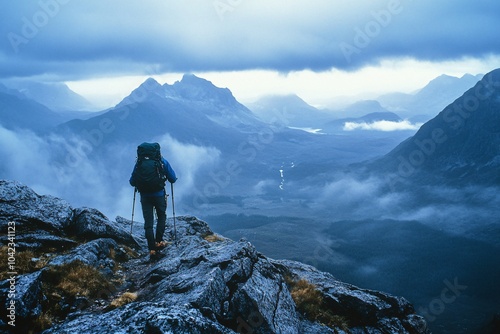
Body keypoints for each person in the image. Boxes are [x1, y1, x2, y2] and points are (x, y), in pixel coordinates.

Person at [129, 143, 177, 261]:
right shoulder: (161, 161)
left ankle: (151, 249)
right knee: (161, 216)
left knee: (148, 222)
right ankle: (159, 241)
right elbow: (173, 178)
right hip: (159, 195)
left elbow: (132, 181)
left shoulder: (139, 163)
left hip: (145, 196)